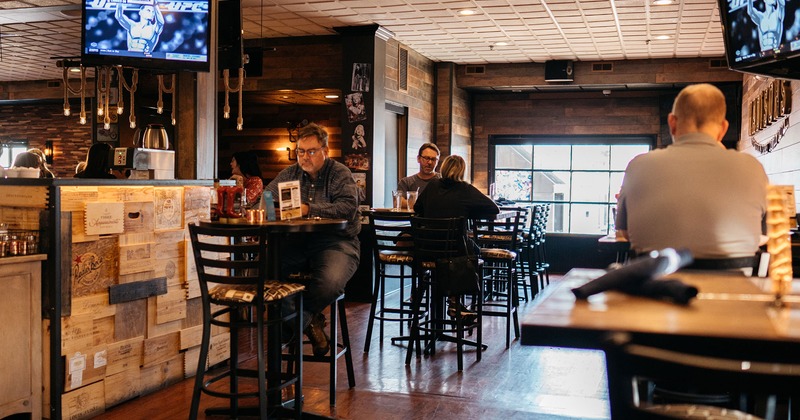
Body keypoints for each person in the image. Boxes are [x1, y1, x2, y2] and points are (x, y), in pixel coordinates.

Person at [615, 83, 768, 267]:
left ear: (672, 122)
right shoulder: (752, 167)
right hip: (735, 282)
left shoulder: (637, 165)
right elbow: (764, 233)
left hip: (656, 281)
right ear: (723, 128)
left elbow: (625, 232)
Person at [265, 122, 361, 356]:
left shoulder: (339, 173)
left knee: (330, 282)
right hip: (297, 243)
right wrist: (267, 208)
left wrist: (308, 209)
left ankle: (293, 322)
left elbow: (347, 208)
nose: (304, 157)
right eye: (300, 151)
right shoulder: (290, 173)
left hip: (337, 242)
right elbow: (266, 197)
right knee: (264, 270)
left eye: (311, 151)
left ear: (325, 151)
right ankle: (309, 323)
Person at [413, 154, 499, 319]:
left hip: (427, 249)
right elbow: (494, 209)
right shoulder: (465, 189)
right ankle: (455, 302)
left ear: (443, 168)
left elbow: (418, 208)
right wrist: (469, 212)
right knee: (472, 251)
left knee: (460, 250)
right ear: (462, 171)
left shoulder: (432, 185)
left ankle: (430, 296)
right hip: (454, 251)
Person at [397, 143, 441, 208]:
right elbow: (398, 202)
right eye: (426, 158)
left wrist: (413, 203)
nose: (430, 162)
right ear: (418, 158)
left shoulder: (443, 180)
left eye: (433, 159)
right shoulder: (406, 182)